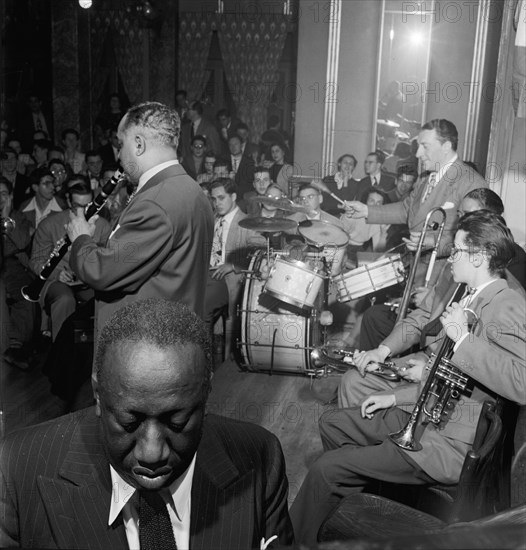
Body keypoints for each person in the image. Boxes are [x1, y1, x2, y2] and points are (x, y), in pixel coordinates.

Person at [290, 210, 526, 546]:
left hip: (448, 443)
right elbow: (445, 376)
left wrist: (462, 338)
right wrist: (394, 397)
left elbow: (522, 384)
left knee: (326, 469)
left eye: (457, 251)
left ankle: (294, 540)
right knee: (334, 424)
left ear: (479, 257)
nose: (450, 258)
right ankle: (359, 509)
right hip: (430, 417)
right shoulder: (469, 295)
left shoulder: (506, 305)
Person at [0, 298, 294, 549]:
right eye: (129, 422)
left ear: (206, 395)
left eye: (177, 421)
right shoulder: (18, 467)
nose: (152, 454)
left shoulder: (260, 456)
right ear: (98, 396)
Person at [66, 101, 214, 336]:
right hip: (178, 338)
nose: (119, 157)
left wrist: (81, 239)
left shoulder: (155, 201)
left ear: (138, 144)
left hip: (142, 349)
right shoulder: (192, 190)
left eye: (121, 145)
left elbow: (101, 272)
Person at [356, 187, 525, 355]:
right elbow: (427, 311)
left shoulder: (512, 267)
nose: (462, 220)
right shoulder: (457, 257)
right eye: (459, 214)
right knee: (374, 320)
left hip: (454, 350)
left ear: (491, 218)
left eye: (469, 214)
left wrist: (426, 366)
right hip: (434, 336)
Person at [344, 119, 487, 287]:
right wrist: (367, 211)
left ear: (446, 146)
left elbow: (479, 237)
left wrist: (434, 243)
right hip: (417, 266)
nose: (418, 153)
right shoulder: (426, 176)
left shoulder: (471, 182)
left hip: (442, 276)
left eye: (425, 146)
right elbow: (407, 209)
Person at [30, 177, 111, 341]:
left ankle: (97, 352)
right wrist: (57, 274)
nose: (84, 212)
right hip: (56, 280)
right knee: (64, 299)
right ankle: (60, 353)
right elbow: (36, 261)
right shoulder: (49, 224)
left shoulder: (102, 225)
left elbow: (106, 261)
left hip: (89, 280)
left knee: (105, 299)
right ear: (68, 201)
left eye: (89, 206)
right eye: (77, 207)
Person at [0, 177, 37, 370]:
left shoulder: (18, 217)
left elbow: (23, 243)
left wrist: (7, 220)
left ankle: (16, 347)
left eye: (4, 194)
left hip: (12, 267)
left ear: (11, 196)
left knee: (26, 293)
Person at [20, 166, 64, 233]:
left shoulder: (62, 207)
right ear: (35, 187)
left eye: (52, 183)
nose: (52, 187)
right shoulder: (24, 209)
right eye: (47, 183)